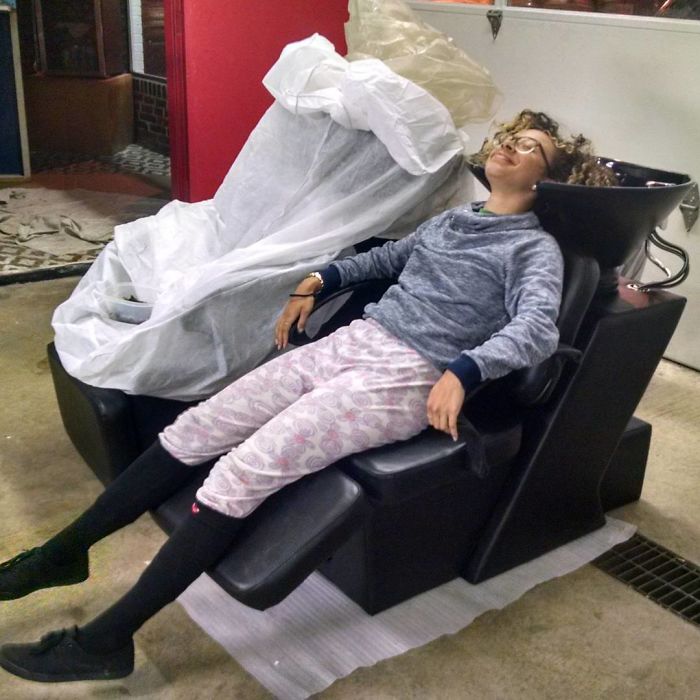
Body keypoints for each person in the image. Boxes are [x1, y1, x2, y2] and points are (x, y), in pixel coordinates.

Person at [0, 110, 616, 683]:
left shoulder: (532, 249)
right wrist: (315, 280)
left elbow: (537, 330)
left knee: (239, 474)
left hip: (407, 375)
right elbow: (387, 260)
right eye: (510, 137)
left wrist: (464, 370)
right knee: (194, 429)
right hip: (357, 340)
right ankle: (62, 554)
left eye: (530, 147)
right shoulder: (454, 220)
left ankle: (106, 642)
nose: (509, 146)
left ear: (547, 180)